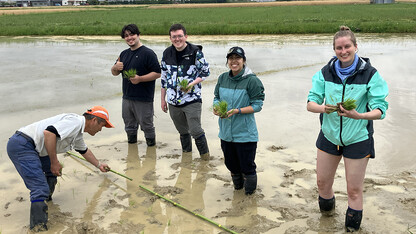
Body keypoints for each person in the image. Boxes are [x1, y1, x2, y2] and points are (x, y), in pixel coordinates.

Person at [307, 26, 389, 232]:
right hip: (329, 136)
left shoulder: (370, 74)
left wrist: (358, 115)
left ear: (355, 46)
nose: (343, 51)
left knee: (353, 190)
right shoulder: (324, 73)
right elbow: (311, 103)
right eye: (338, 48)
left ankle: (351, 229)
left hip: (358, 138)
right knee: (322, 183)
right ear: (334, 50)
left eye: (347, 47)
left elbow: (380, 110)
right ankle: (326, 221)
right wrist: (324, 108)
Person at [6, 106, 114, 231]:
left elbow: (83, 150)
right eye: (102, 125)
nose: (101, 130)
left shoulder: (77, 132)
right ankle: (38, 228)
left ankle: (45, 201)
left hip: (35, 147)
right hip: (23, 145)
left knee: (52, 173)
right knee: (39, 187)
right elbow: (49, 133)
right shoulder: (76, 121)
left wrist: (99, 165)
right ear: (94, 120)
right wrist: (54, 161)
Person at [213, 47, 265, 195]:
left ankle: (249, 195)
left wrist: (238, 110)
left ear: (243, 61)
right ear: (227, 61)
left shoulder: (252, 80)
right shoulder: (223, 78)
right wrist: (216, 107)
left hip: (245, 134)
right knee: (231, 165)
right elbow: (216, 97)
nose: (234, 61)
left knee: (247, 166)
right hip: (225, 132)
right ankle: (237, 189)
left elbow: (258, 105)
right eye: (231, 58)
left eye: (238, 58)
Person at [160, 23, 210, 158]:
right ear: (170, 38)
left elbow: (205, 72)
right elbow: (164, 79)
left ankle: (205, 158)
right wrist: (162, 100)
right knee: (182, 131)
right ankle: (187, 156)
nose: (177, 39)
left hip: (191, 99)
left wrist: (191, 84)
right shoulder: (166, 53)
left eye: (180, 36)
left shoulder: (195, 52)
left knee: (195, 129)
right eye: (174, 37)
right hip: (172, 101)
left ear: (186, 36)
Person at [111, 24, 161, 146]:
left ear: (138, 35)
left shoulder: (148, 53)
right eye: (126, 36)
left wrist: (140, 79)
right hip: (127, 98)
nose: (129, 38)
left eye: (132, 34)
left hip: (144, 98)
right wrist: (115, 67)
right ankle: (132, 150)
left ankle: (151, 151)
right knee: (129, 126)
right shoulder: (123, 54)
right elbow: (114, 73)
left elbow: (157, 73)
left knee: (147, 126)